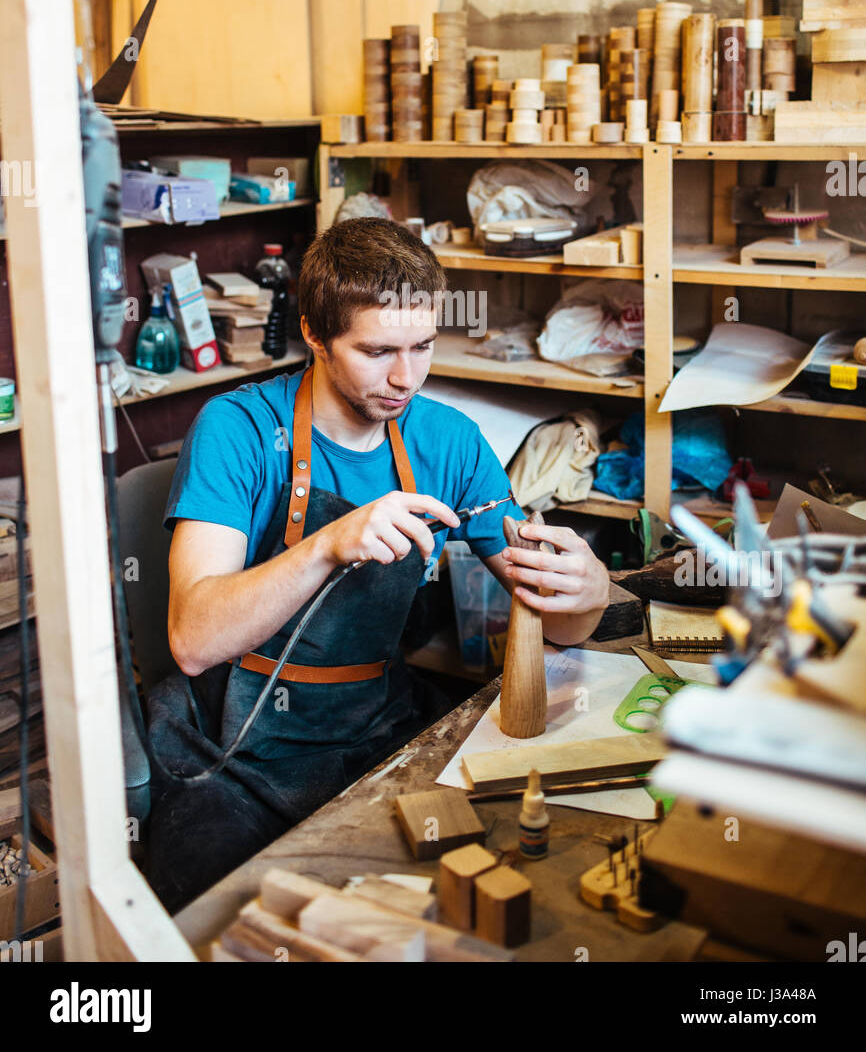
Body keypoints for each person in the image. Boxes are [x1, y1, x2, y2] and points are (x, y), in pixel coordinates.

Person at [146, 217, 609, 910]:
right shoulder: (238, 430)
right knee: (224, 914)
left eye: (422, 346)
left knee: (463, 885)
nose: (405, 377)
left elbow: (561, 622)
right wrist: (329, 543)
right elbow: (193, 640)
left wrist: (587, 589)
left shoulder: (449, 441)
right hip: (226, 746)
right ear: (314, 334)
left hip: (372, 724)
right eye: (376, 350)